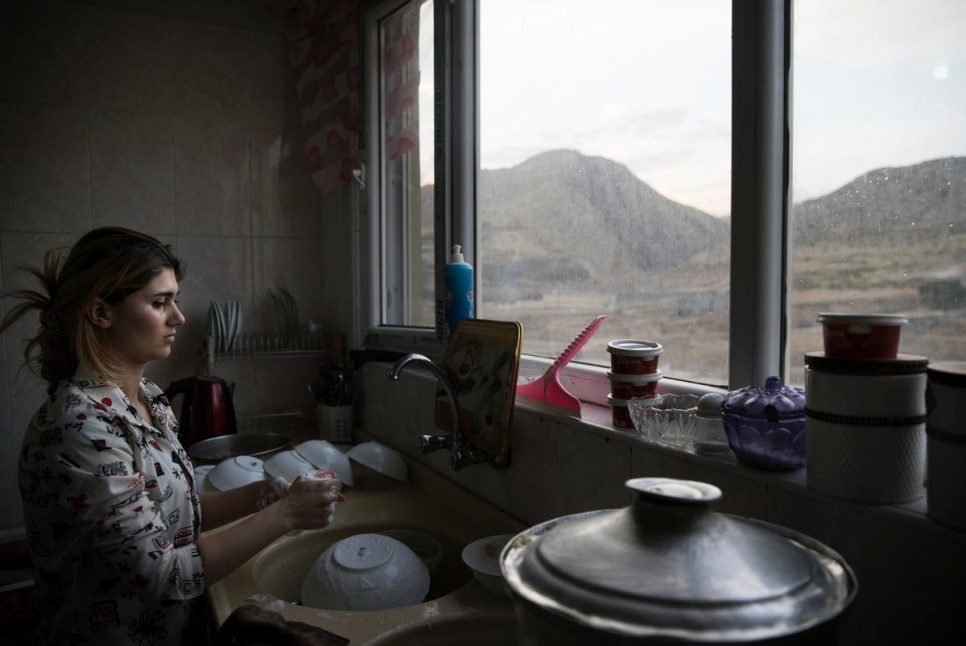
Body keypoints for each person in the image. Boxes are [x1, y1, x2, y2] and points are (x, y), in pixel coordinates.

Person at [0, 227, 344, 645]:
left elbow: (172, 511)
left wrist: (262, 496)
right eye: (160, 303)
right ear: (100, 313)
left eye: (174, 301)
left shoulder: (148, 398)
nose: (178, 317)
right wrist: (285, 515)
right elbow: (164, 574)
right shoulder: (80, 427)